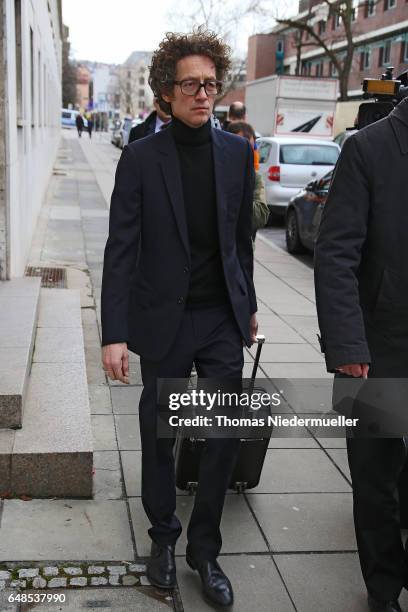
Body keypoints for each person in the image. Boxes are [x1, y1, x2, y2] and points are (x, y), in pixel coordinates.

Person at [101, 28, 257, 607]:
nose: (202, 94)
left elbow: (241, 241)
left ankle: (205, 550)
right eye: (190, 84)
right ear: (166, 92)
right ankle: (163, 537)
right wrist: (113, 333)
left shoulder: (238, 153)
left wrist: (250, 306)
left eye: (210, 85)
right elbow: (121, 247)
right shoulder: (141, 158)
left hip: (220, 317)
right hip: (164, 320)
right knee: (159, 433)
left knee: (222, 436)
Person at [314, 96, 408, 612]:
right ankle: (383, 589)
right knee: (377, 478)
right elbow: (335, 256)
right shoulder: (367, 149)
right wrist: (349, 347)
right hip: (378, 347)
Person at [226, 121, 269, 241]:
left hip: (242, 249)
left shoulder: (254, 178)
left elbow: (260, 217)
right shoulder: (216, 170)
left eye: (249, 148)